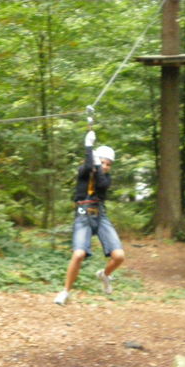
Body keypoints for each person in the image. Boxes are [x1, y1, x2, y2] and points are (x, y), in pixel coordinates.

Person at [54, 128, 125, 305]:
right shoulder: (84, 172)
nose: (106, 166)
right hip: (83, 217)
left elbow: (101, 181)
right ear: (95, 161)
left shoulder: (105, 179)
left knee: (119, 256)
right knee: (78, 255)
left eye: (109, 164)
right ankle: (65, 292)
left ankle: (105, 274)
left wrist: (98, 165)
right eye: (103, 162)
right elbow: (87, 167)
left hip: (100, 216)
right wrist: (88, 146)